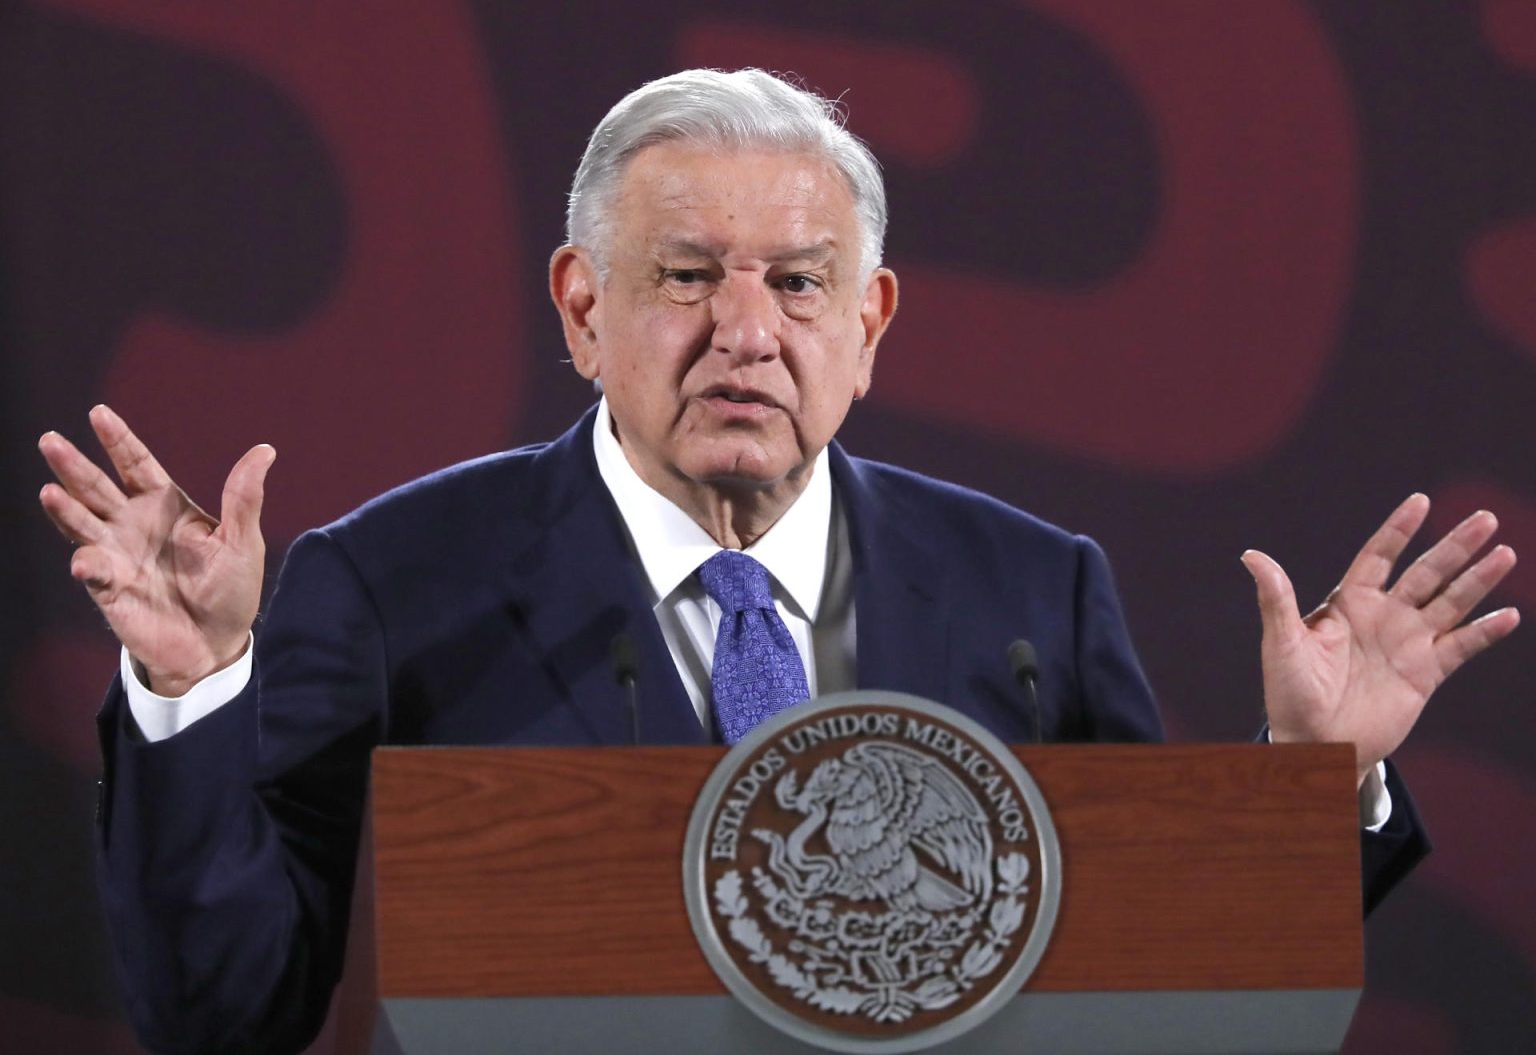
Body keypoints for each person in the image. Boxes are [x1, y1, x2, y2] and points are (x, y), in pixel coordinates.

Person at [38, 69, 1519, 1055]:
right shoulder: (389, 579)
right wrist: (194, 690)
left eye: (798, 284)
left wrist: (1309, 788)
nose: (747, 330)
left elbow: (1156, 990)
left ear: (869, 323)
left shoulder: (1029, 588)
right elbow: (224, 1014)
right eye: (688, 275)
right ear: (580, 305)